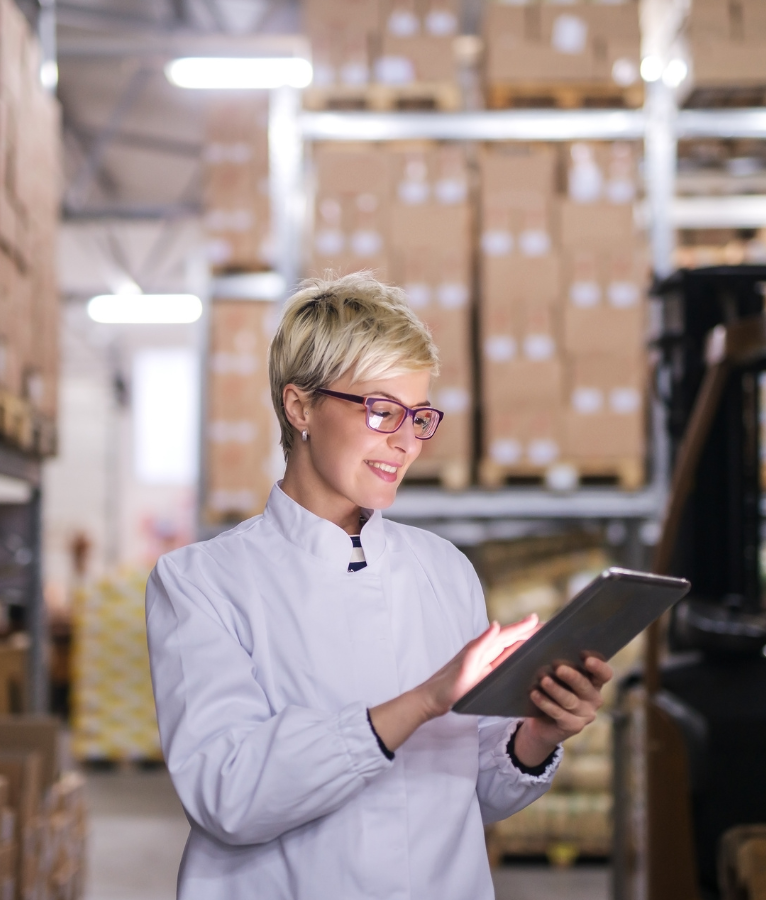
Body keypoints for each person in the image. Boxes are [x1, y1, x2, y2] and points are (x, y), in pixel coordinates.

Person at [146, 273, 613, 899]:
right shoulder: (201, 584)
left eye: (419, 416)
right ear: (300, 407)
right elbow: (228, 794)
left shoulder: (444, 569)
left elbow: (474, 793)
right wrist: (421, 701)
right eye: (380, 410)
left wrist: (536, 736)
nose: (405, 441)